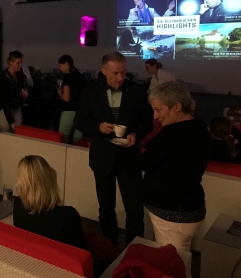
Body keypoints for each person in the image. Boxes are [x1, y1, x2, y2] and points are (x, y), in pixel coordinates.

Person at [74, 52, 153, 245]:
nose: (120, 78)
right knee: (106, 209)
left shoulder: (136, 90)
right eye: (115, 73)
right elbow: (80, 121)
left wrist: (137, 135)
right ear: (103, 71)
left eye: (124, 73)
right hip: (102, 157)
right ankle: (109, 248)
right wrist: (98, 127)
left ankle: (134, 250)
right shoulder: (91, 91)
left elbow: (148, 122)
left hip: (129, 157)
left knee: (134, 210)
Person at [143, 82, 209, 252]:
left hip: (172, 212)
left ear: (177, 106)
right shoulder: (199, 126)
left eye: (159, 110)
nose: (156, 117)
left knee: (172, 263)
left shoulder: (173, 133)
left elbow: (146, 162)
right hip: (189, 207)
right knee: (179, 258)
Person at [13, 155, 87, 251]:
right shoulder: (69, 215)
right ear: (50, 178)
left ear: (22, 183)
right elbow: (83, 254)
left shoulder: (18, 205)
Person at [0, 50, 28, 133]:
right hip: (3, 109)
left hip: (15, 106)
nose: (20, 65)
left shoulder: (20, 76)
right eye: (18, 63)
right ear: (11, 62)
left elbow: (19, 90)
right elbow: (3, 100)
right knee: (5, 133)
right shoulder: (3, 77)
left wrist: (23, 95)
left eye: (21, 62)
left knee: (18, 132)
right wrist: (10, 120)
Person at [56, 55, 85, 144]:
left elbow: (67, 98)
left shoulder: (67, 77)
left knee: (63, 139)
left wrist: (60, 93)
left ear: (66, 64)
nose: (59, 68)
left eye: (60, 66)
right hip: (81, 113)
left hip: (69, 112)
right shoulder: (81, 77)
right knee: (77, 142)